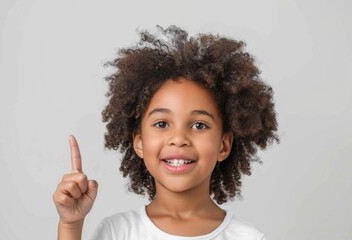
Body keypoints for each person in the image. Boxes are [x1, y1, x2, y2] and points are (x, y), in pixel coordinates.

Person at [53, 25, 279, 240]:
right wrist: (71, 225)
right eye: (162, 124)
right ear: (139, 142)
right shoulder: (117, 232)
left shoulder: (247, 237)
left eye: (199, 125)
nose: (179, 139)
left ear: (224, 145)